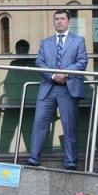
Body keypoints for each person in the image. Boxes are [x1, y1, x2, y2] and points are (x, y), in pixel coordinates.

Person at [26, 10, 88, 170]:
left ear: (68, 21)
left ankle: (70, 160)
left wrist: (65, 73)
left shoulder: (78, 41)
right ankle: (34, 158)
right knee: (39, 123)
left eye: (62, 19)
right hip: (48, 87)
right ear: (54, 22)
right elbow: (39, 62)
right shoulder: (46, 42)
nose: (59, 21)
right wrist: (53, 75)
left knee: (69, 125)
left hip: (68, 88)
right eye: (56, 19)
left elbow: (82, 62)